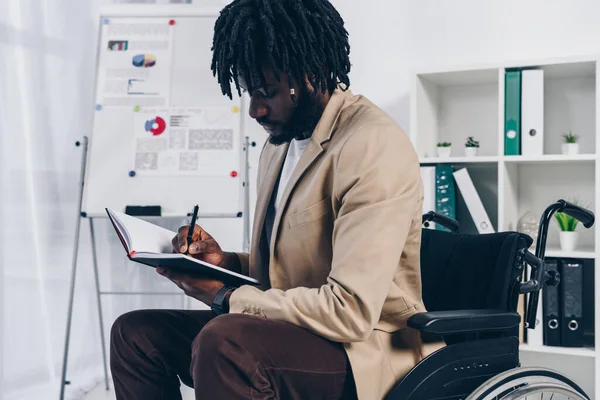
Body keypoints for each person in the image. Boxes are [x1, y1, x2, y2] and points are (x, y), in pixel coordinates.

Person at [109, 0, 428, 399]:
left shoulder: (371, 144)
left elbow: (350, 312)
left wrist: (224, 297)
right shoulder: (281, 142)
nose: (256, 109)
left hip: (364, 351)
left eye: (269, 92)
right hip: (293, 330)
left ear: (310, 72)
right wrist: (223, 264)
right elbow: (285, 272)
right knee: (135, 334)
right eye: (249, 92)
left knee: (224, 342)